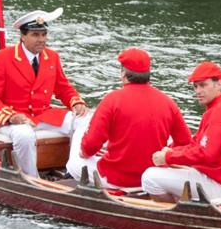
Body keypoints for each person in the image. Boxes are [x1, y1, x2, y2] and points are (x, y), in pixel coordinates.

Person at [0, 8, 89, 177]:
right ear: (23, 36)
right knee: (24, 134)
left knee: (86, 120)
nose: (41, 40)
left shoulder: (52, 57)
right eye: (35, 35)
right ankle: (31, 179)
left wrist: (76, 102)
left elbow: (62, 87)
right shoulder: (1, 58)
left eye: (44, 34)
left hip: (41, 115)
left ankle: (73, 170)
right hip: (9, 119)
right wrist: (11, 116)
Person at [66, 47, 192, 188]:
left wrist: (83, 153)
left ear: (123, 74)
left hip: (116, 178)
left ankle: (70, 178)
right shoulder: (168, 102)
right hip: (152, 176)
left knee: (74, 160)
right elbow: (185, 142)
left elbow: (90, 145)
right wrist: (166, 150)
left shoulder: (112, 99)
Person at [141, 61, 221, 202]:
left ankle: (175, 217)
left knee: (149, 177)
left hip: (220, 185)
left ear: (219, 83)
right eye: (195, 86)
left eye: (203, 85)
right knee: (163, 170)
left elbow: (207, 154)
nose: (198, 91)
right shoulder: (220, 108)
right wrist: (172, 152)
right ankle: (180, 207)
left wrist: (168, 157)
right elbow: (195, 145)